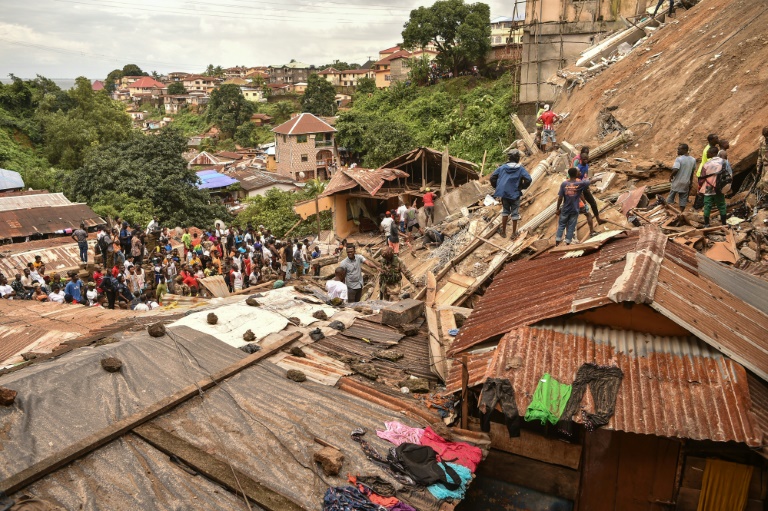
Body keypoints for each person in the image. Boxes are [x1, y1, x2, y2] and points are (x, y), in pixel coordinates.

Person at [490, 149, 533, 239]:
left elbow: (492, 177)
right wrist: (522, 186)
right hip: (515, 194)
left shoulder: (502, 167)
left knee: (505, 211)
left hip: (504, 194)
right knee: (515, 213)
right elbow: (528, 179)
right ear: (517, 158)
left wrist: (497, 186)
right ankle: (514, 233)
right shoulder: (520, 169)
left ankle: (503, 232)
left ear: (509, 158)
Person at [556, 168, 597, 246]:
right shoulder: (579, 182)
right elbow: (581, 194)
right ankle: (591, 232)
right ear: (575, 174)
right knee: (588, 214)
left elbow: (560, 197)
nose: (580, 172)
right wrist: (585, 204)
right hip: (578, 205)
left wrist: (558, 209)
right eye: (578, 172)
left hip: (568, 207)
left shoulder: (565, 183)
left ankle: (568, 239)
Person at [572, 147, 604, 227]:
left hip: (584, 187)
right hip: (578, 188)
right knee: (581, 209)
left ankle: (598, 219)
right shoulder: (577, 168)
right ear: (581, 159)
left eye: (587, 159)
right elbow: (576, 179)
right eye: (584, 159)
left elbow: (585, 176)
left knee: (593, 203)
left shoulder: (586, 166)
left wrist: (586, 184)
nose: (586, 160)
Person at [699, 146, 728, 227]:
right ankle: (724, 223)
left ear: (712, 153)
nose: (707, 153)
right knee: (722, 205)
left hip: (709, 188)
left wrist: (700, 188)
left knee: (707, 205)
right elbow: (729, 174)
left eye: (708, 152)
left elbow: (702, 178)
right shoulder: (724, 162)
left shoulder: (706, 164)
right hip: (720, 188)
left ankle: (707, 224)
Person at [666, 143, 697, 211]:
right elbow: (692, 172)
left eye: (679, 149)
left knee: (671, 196)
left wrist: (671, 176)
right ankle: (681, 212)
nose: (677, 151)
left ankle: (667, 209)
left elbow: (676, 169)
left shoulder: (679, 159)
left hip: (677, 182)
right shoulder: (693, 160)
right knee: (683, 198)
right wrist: (690, 182)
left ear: (685, 150)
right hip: (686, 182)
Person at [758, 127, 768, 193]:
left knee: (766, 181)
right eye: (765, 136)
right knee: (760, 186)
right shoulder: (762, 142)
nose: (766, 138)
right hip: (765, 167)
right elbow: (759, 156)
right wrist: (758, 167)